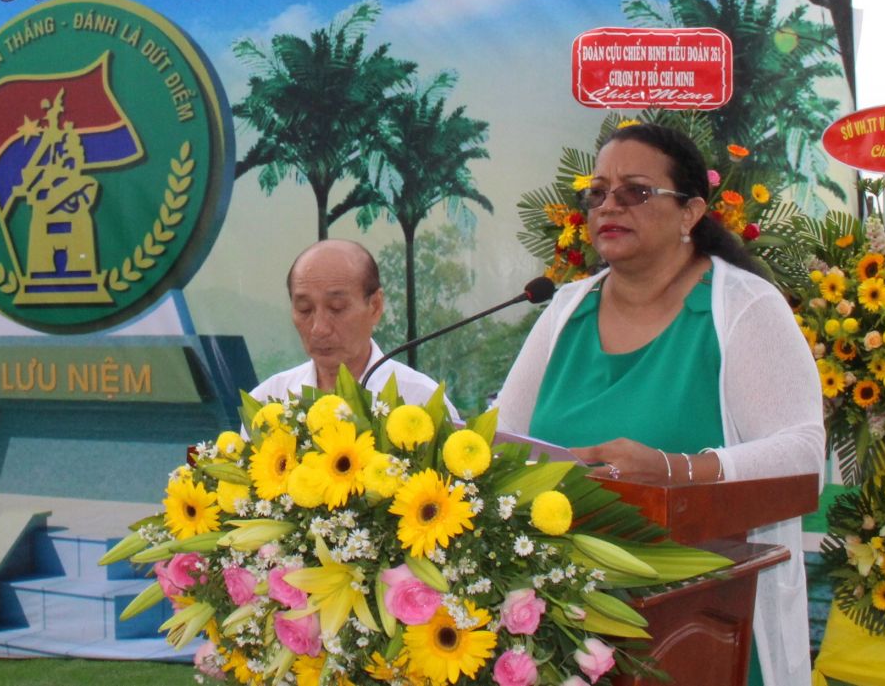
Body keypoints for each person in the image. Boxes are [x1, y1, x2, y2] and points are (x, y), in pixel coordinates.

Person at [494, 123, 823, 686]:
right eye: (597, 193)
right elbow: (502, 441)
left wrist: (678, 471)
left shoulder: (742, 307)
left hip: (706, 624)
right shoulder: (563, 311)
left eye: (635, 191)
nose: (609, 205)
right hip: (563, 622)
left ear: (691, 213)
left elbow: (803, 453)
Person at [252, 239, 458, 418]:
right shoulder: (268, 403)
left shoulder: (422, 402)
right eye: (305, 310)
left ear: (375, 306)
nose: (319, 328)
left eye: (337, 308)